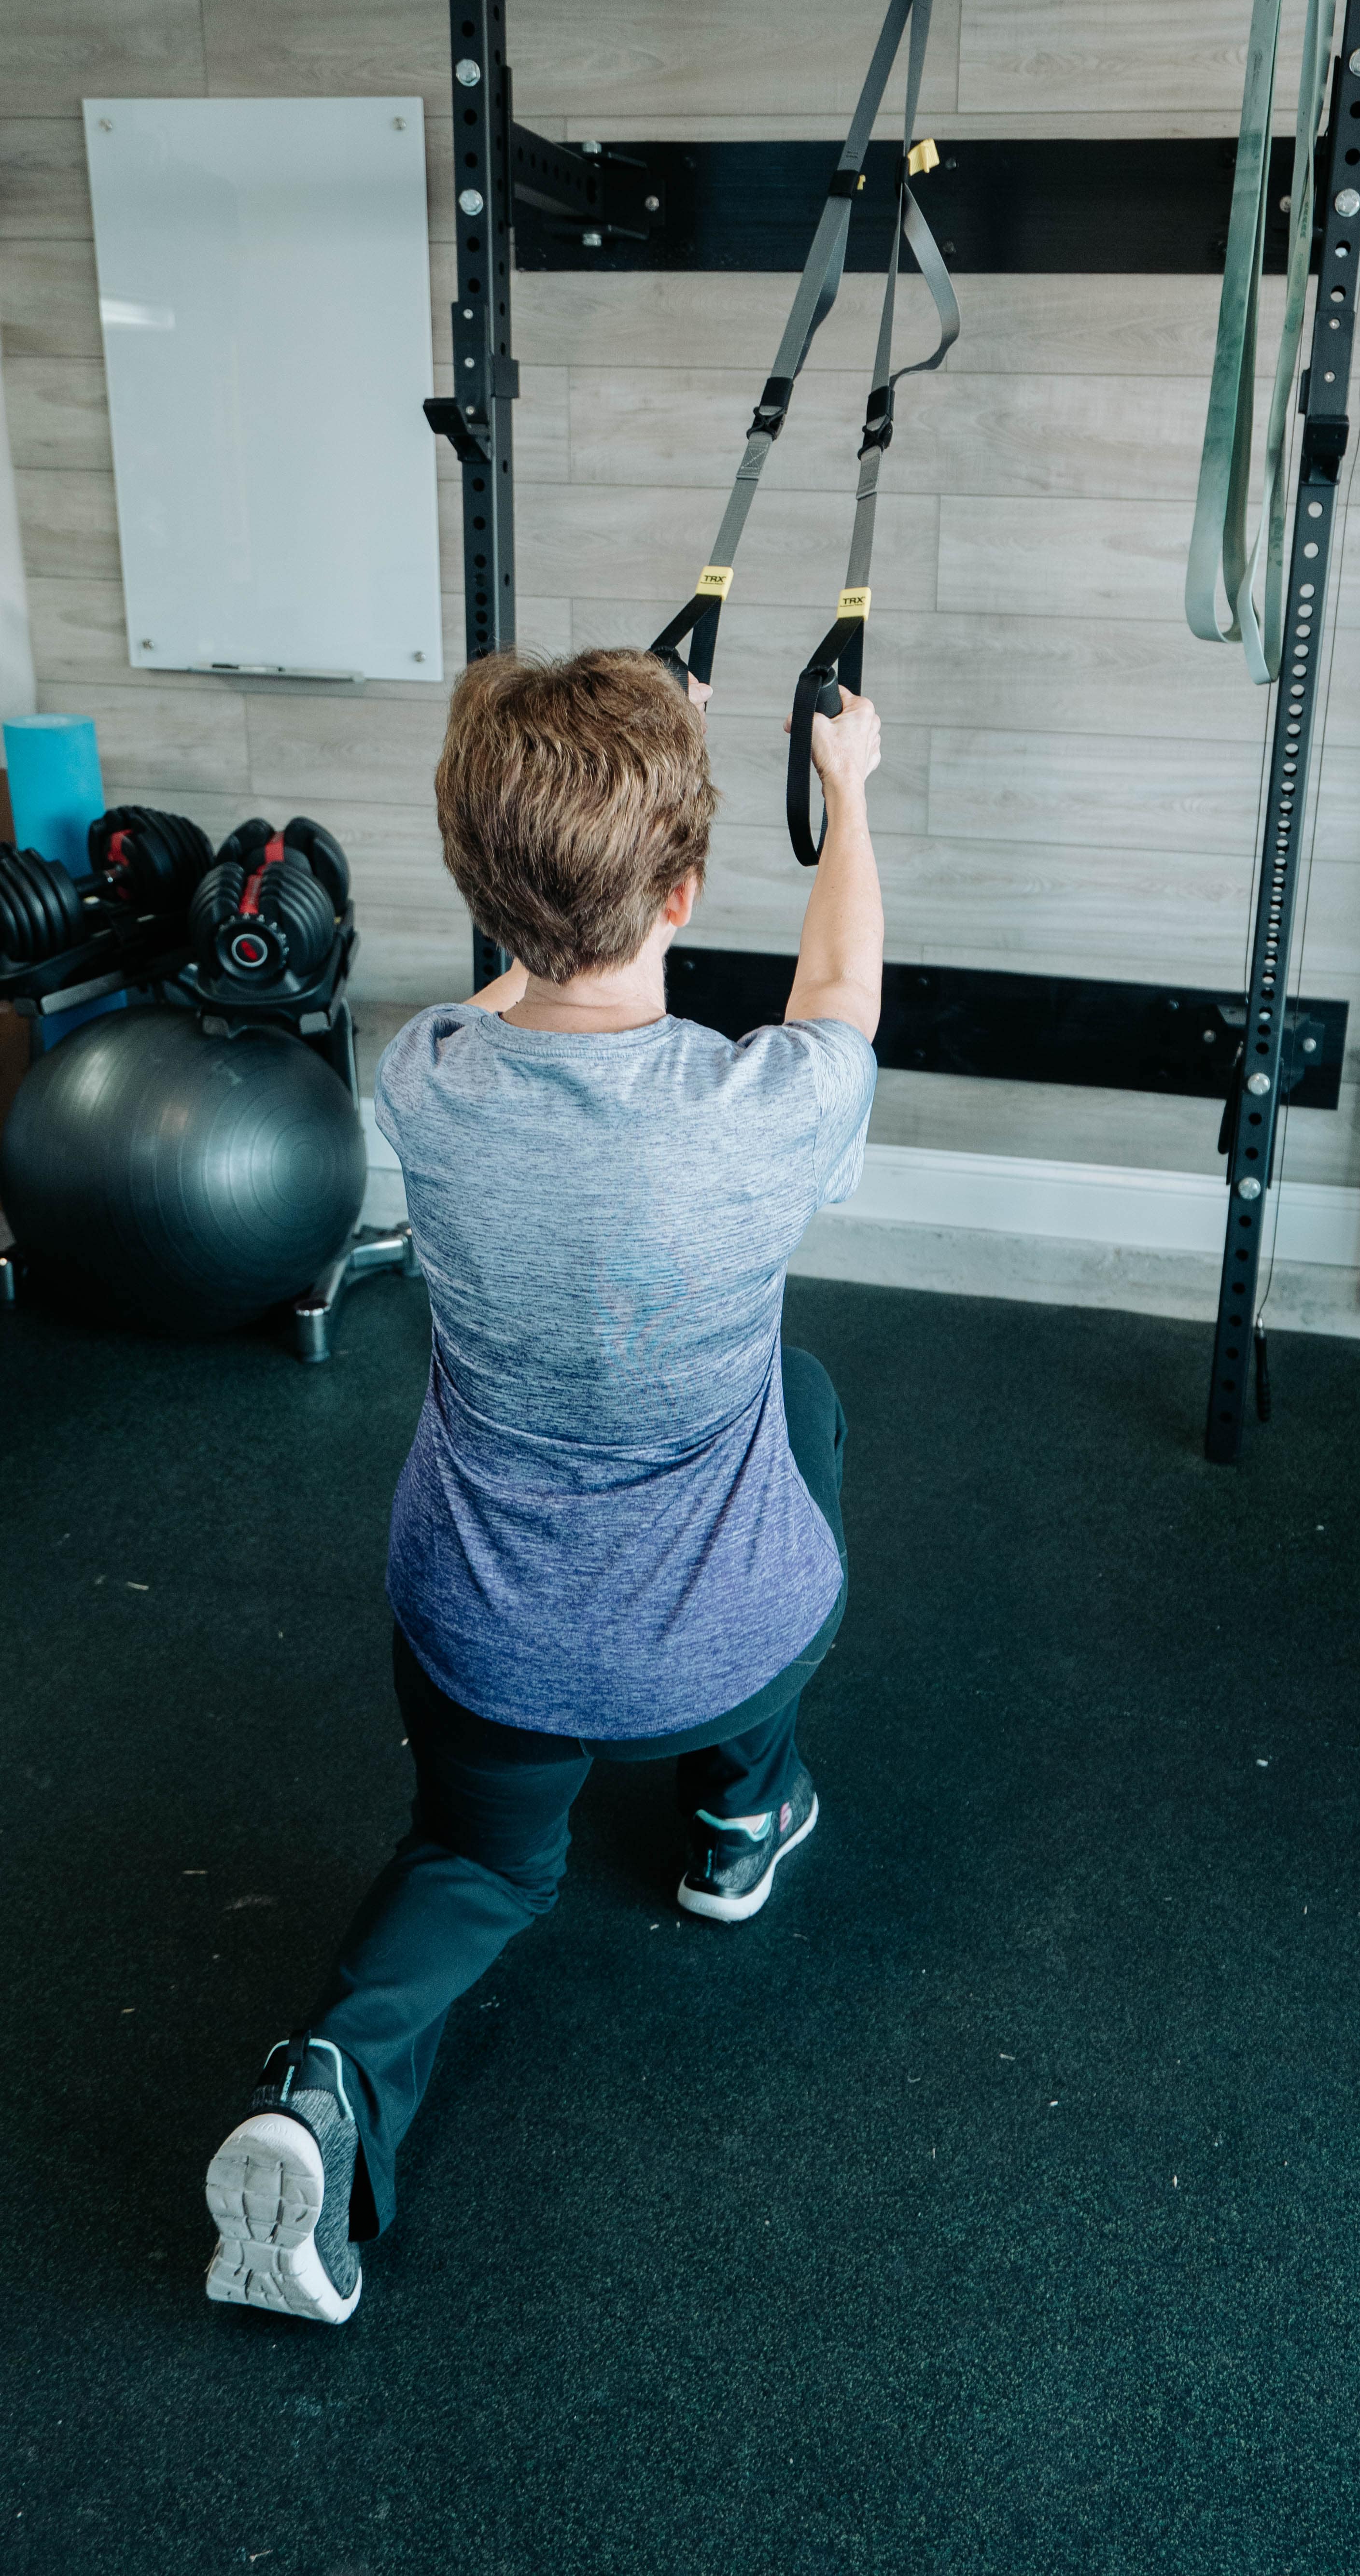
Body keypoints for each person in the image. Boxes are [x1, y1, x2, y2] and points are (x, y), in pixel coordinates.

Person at [201, 648, 884, 2324]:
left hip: (482, 1642)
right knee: (804, 1417)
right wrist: (850, 788)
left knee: (480, 1865)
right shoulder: (758, 1113)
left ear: (481, 889)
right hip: (709, 1641)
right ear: (688, 889)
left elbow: (533, 978)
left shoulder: (428, 1075)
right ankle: (738, 1813)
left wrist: (601, 825)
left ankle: (323, 2096)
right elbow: (840, 993)